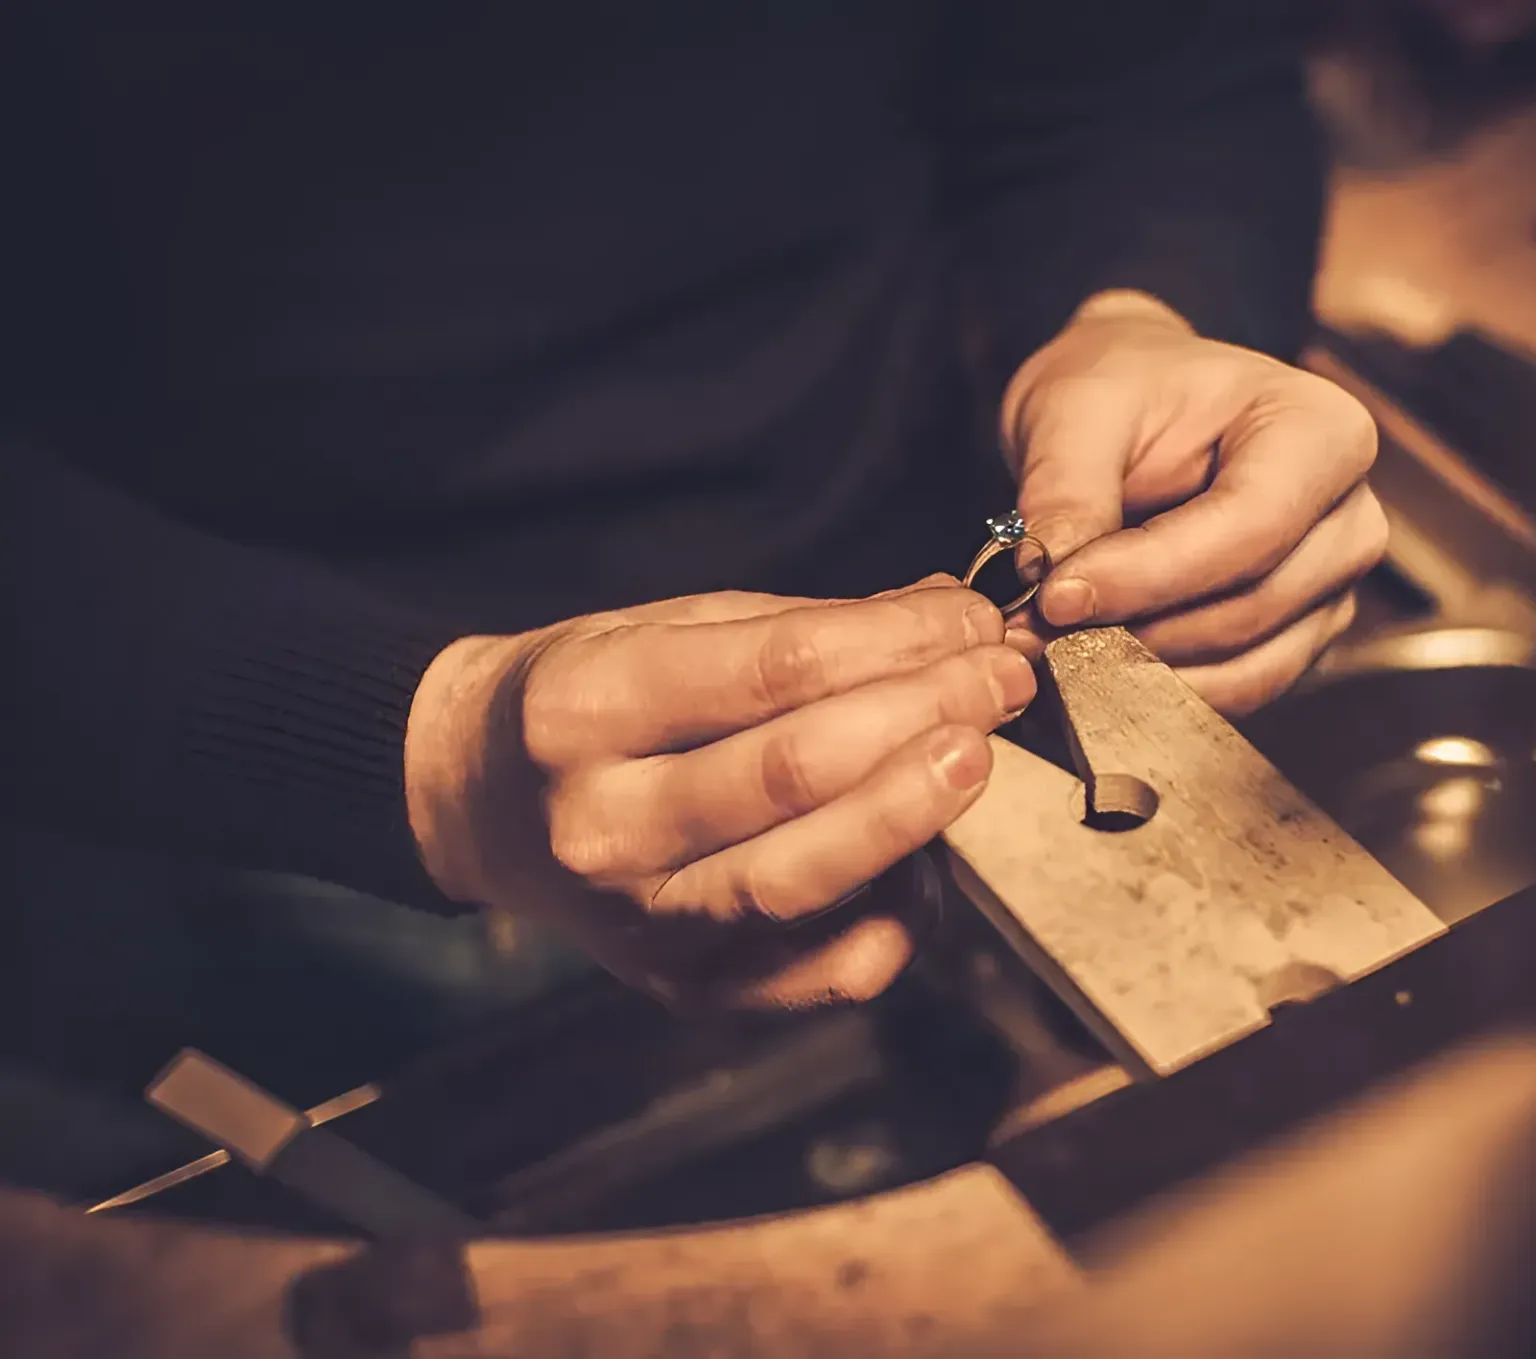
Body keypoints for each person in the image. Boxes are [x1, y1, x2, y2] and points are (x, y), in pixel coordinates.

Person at [0, 3, 1385, 1030]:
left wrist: (1144, 307)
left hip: (949, 727)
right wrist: (425, 755)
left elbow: (1149, 71)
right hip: (236, 807)